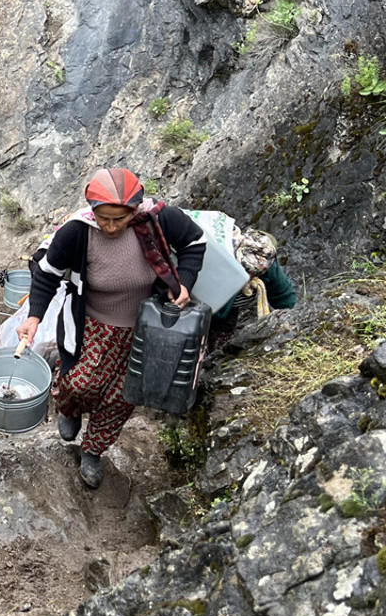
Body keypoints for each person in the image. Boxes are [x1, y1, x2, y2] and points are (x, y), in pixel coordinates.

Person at [16, 168, 207, 489]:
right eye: (104, 218)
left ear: (134, 209)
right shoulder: (78, 231)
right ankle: (71, 410)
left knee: (122, 396)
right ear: (93, 210)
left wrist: (185, 281)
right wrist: (34, 317)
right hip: (90, 323)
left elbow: (195, 242)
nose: (111, 226)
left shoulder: (158, 220)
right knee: (79, 383)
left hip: (145, 330)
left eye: (120, 218)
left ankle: (92, 451)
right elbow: (47, 274)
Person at [208, 227, 296, 351]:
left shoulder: (269, 269)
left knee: (216, 347)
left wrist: (292, 325)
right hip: (202, 299)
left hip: (227, 314)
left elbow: (285, 296)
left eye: (254, 272)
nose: (249, 275)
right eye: (245, 269)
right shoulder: (222, 255)